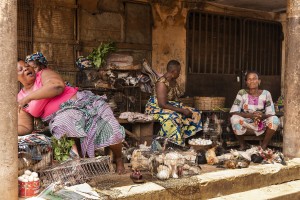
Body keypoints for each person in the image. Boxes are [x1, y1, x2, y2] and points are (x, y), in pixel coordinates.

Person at [17, 53, 126, 174]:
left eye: (27, 65)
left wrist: (28, 98)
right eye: (21, 69)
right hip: (62, 117)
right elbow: (26, 127)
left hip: (85, 105)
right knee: (64, 123)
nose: (26, 68)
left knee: (112, 130)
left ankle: (119, 158)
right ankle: (77, 168)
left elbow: (57, 86)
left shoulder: (43, 74)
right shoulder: (20, 98)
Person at [145, 60, 202, 145]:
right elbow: (162, 104)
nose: (179, 74)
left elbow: (175, 99)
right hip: (156, 108)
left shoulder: (173, 82)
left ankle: (188, 141)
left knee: (195, 113)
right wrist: (182, 110)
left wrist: (184, 109)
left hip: (169, 105)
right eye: (178, 71)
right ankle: (171, 143)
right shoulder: (161, 83)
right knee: (174, 117)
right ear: (173, 72)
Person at [230, 70, 279, 150]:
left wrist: (261, 116)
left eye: (254, 78)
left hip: (261, 122)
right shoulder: (242, 93)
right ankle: (243, 145)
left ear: (259, 81)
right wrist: (249, 115)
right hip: (245, 121)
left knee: (275, 119)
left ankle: (263, 146)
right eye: (249, 79)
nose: (252, 81)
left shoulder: (266, 94)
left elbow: (271, 113)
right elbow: (233, 112)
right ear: (246, 82)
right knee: (234, 118)